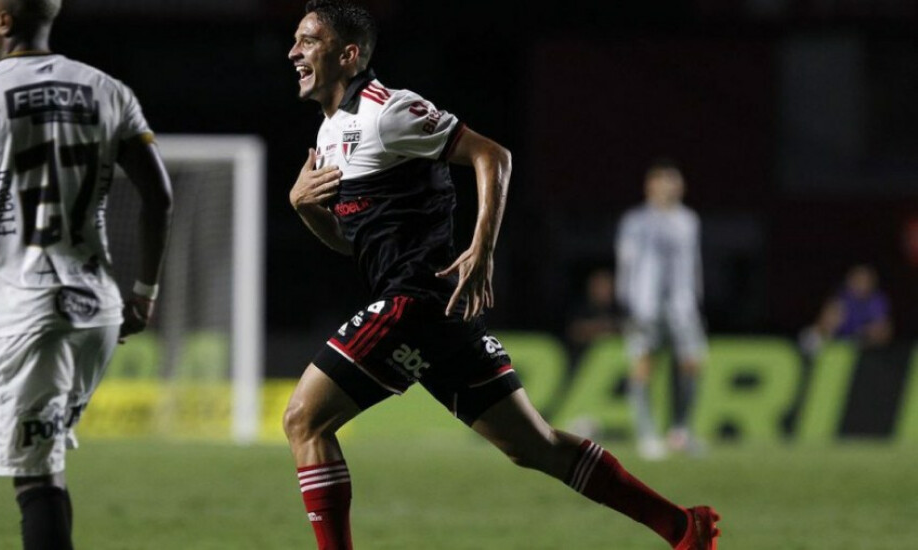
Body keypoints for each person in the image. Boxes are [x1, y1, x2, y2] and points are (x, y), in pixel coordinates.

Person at [283, 2, 719, 549]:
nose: (293, 52)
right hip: (441, 313)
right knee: (534, 446)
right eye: (296, 40)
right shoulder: (329, 134)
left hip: (416, 301)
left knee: (305, 420)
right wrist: (306, 208)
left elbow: (494, 155)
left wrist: (482, 247)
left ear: (348, 54)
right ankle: (684, 528)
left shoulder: (388, 110)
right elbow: (356, 243)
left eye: (307, 41)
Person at [0, 1, 173, 548]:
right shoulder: (109, 91)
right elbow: (160, 197)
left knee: (36, 481)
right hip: (97, 312)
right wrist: (144, 292)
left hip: (26, 311)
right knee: (45, 465)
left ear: (6, 22)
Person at [616, 159, 707, 460]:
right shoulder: (636, 221)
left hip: (682, 305)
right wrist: (626, 302)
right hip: (645, 305)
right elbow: (626, 263)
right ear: (650, 185)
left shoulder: (689, 220)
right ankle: (647, 435)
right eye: (664, 180)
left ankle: (680, 431)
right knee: (643, 365)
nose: (670, 186)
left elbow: (693, 263)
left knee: (692, 364)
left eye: (674, 180)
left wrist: (696, 297)